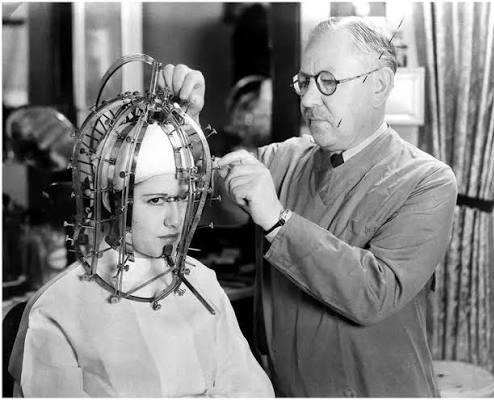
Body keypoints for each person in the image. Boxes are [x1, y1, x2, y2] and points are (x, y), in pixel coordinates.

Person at [165, 17, 458, 397]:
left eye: (328, 82)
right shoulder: (283, 160)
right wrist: (185, 122)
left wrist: (278, 221)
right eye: (304, 82)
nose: (307, 100)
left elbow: (375, 293)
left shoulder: (427, 181)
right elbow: (206, 201)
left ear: (379, 84)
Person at [8, 121, 275, 397]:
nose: (175, 220)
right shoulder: (59, 306)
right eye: (156, 200)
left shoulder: (203, 283)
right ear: (112, 201)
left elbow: (250, 388)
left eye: (182, 198)